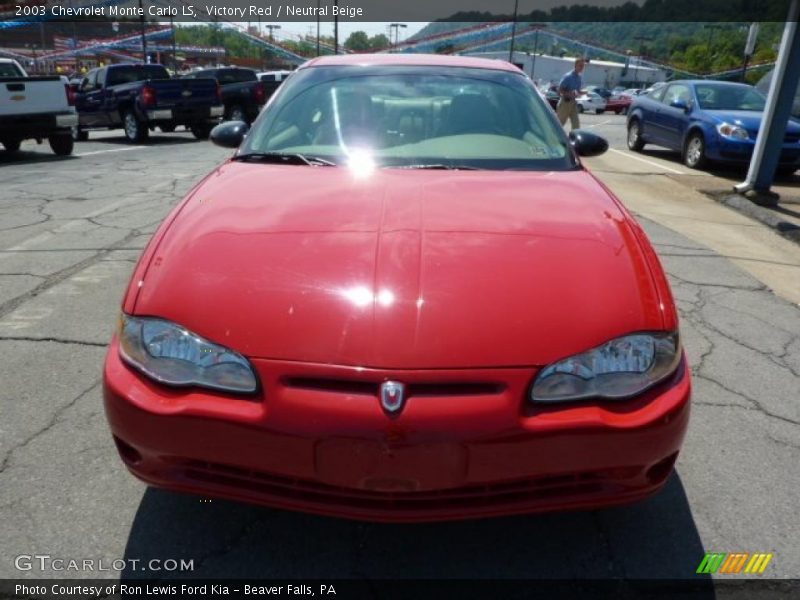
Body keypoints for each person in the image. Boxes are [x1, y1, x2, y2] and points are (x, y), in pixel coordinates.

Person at [556, 58, 586, 130]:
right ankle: (552, 139)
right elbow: (559, 90)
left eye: (583, 66)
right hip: (565, 103)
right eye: (580, 66)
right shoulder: (568, 77)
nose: (582, 68)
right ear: (575, 66)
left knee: (576, 125)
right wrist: (569, 94)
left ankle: (574, 140)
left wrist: (584, 92)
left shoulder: (579, 77)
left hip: (573, 103)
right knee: (559, 125)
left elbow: (577, 91)